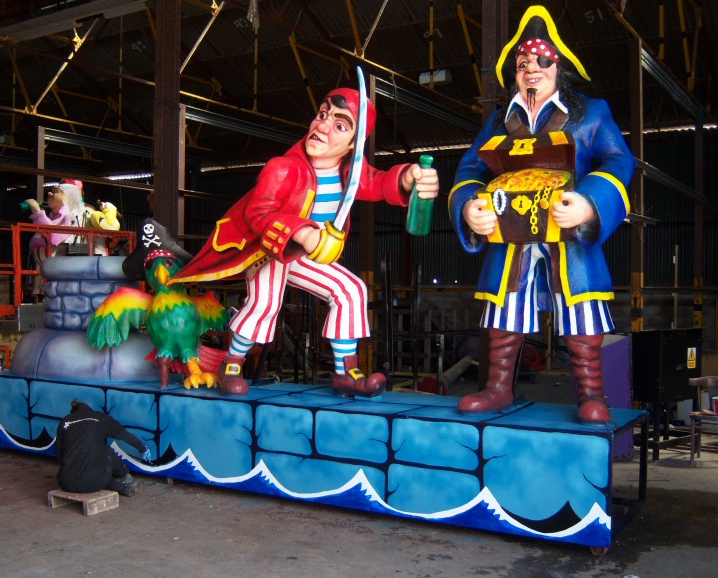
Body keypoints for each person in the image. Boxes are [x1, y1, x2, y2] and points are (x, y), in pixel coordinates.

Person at [170, 84, 438, 397]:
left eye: (339, 125)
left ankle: (345, 372)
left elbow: (377, 183)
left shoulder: (350, 171)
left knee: (352, 290)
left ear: (353, 143)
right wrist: (303, 232)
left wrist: (407, 177)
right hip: (270, 250)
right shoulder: (283, 168)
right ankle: (231, 363)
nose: (322, 125)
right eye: (322, 115)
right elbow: (260, 213)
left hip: (307, 255)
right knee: (265, 301)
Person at [448, 5, 635, 424]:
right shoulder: (498, 121)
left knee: (580, 307)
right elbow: (470, 170)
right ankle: (497, 387)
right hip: (511, 236)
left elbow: (618, 161)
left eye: (542, 59)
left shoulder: (592, 113)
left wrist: (590, 202)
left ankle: (591, 392)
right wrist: (470, 206)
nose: (532, 68)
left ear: (559, 66)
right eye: (523, 62)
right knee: (505, 308)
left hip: (568, 233)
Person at [55, 400, 151, 497]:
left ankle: (123, 488)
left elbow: (60, 457)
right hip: (92, 483)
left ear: (73, 412)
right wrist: (143, 448)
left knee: (94, 477)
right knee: (106, 451)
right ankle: (124, 477)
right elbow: (125, 436)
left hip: (65, 483)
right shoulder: (100, 418)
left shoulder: (65, 422)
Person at [24, 183, 88, 299]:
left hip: (56, 258)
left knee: (50, 270)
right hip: (43, 258)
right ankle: (36, 291)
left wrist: (37, 212)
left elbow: (54, 236)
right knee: (41, 271)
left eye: (55, 191)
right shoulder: (51, 217)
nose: (49, 193)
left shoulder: (70, 217)